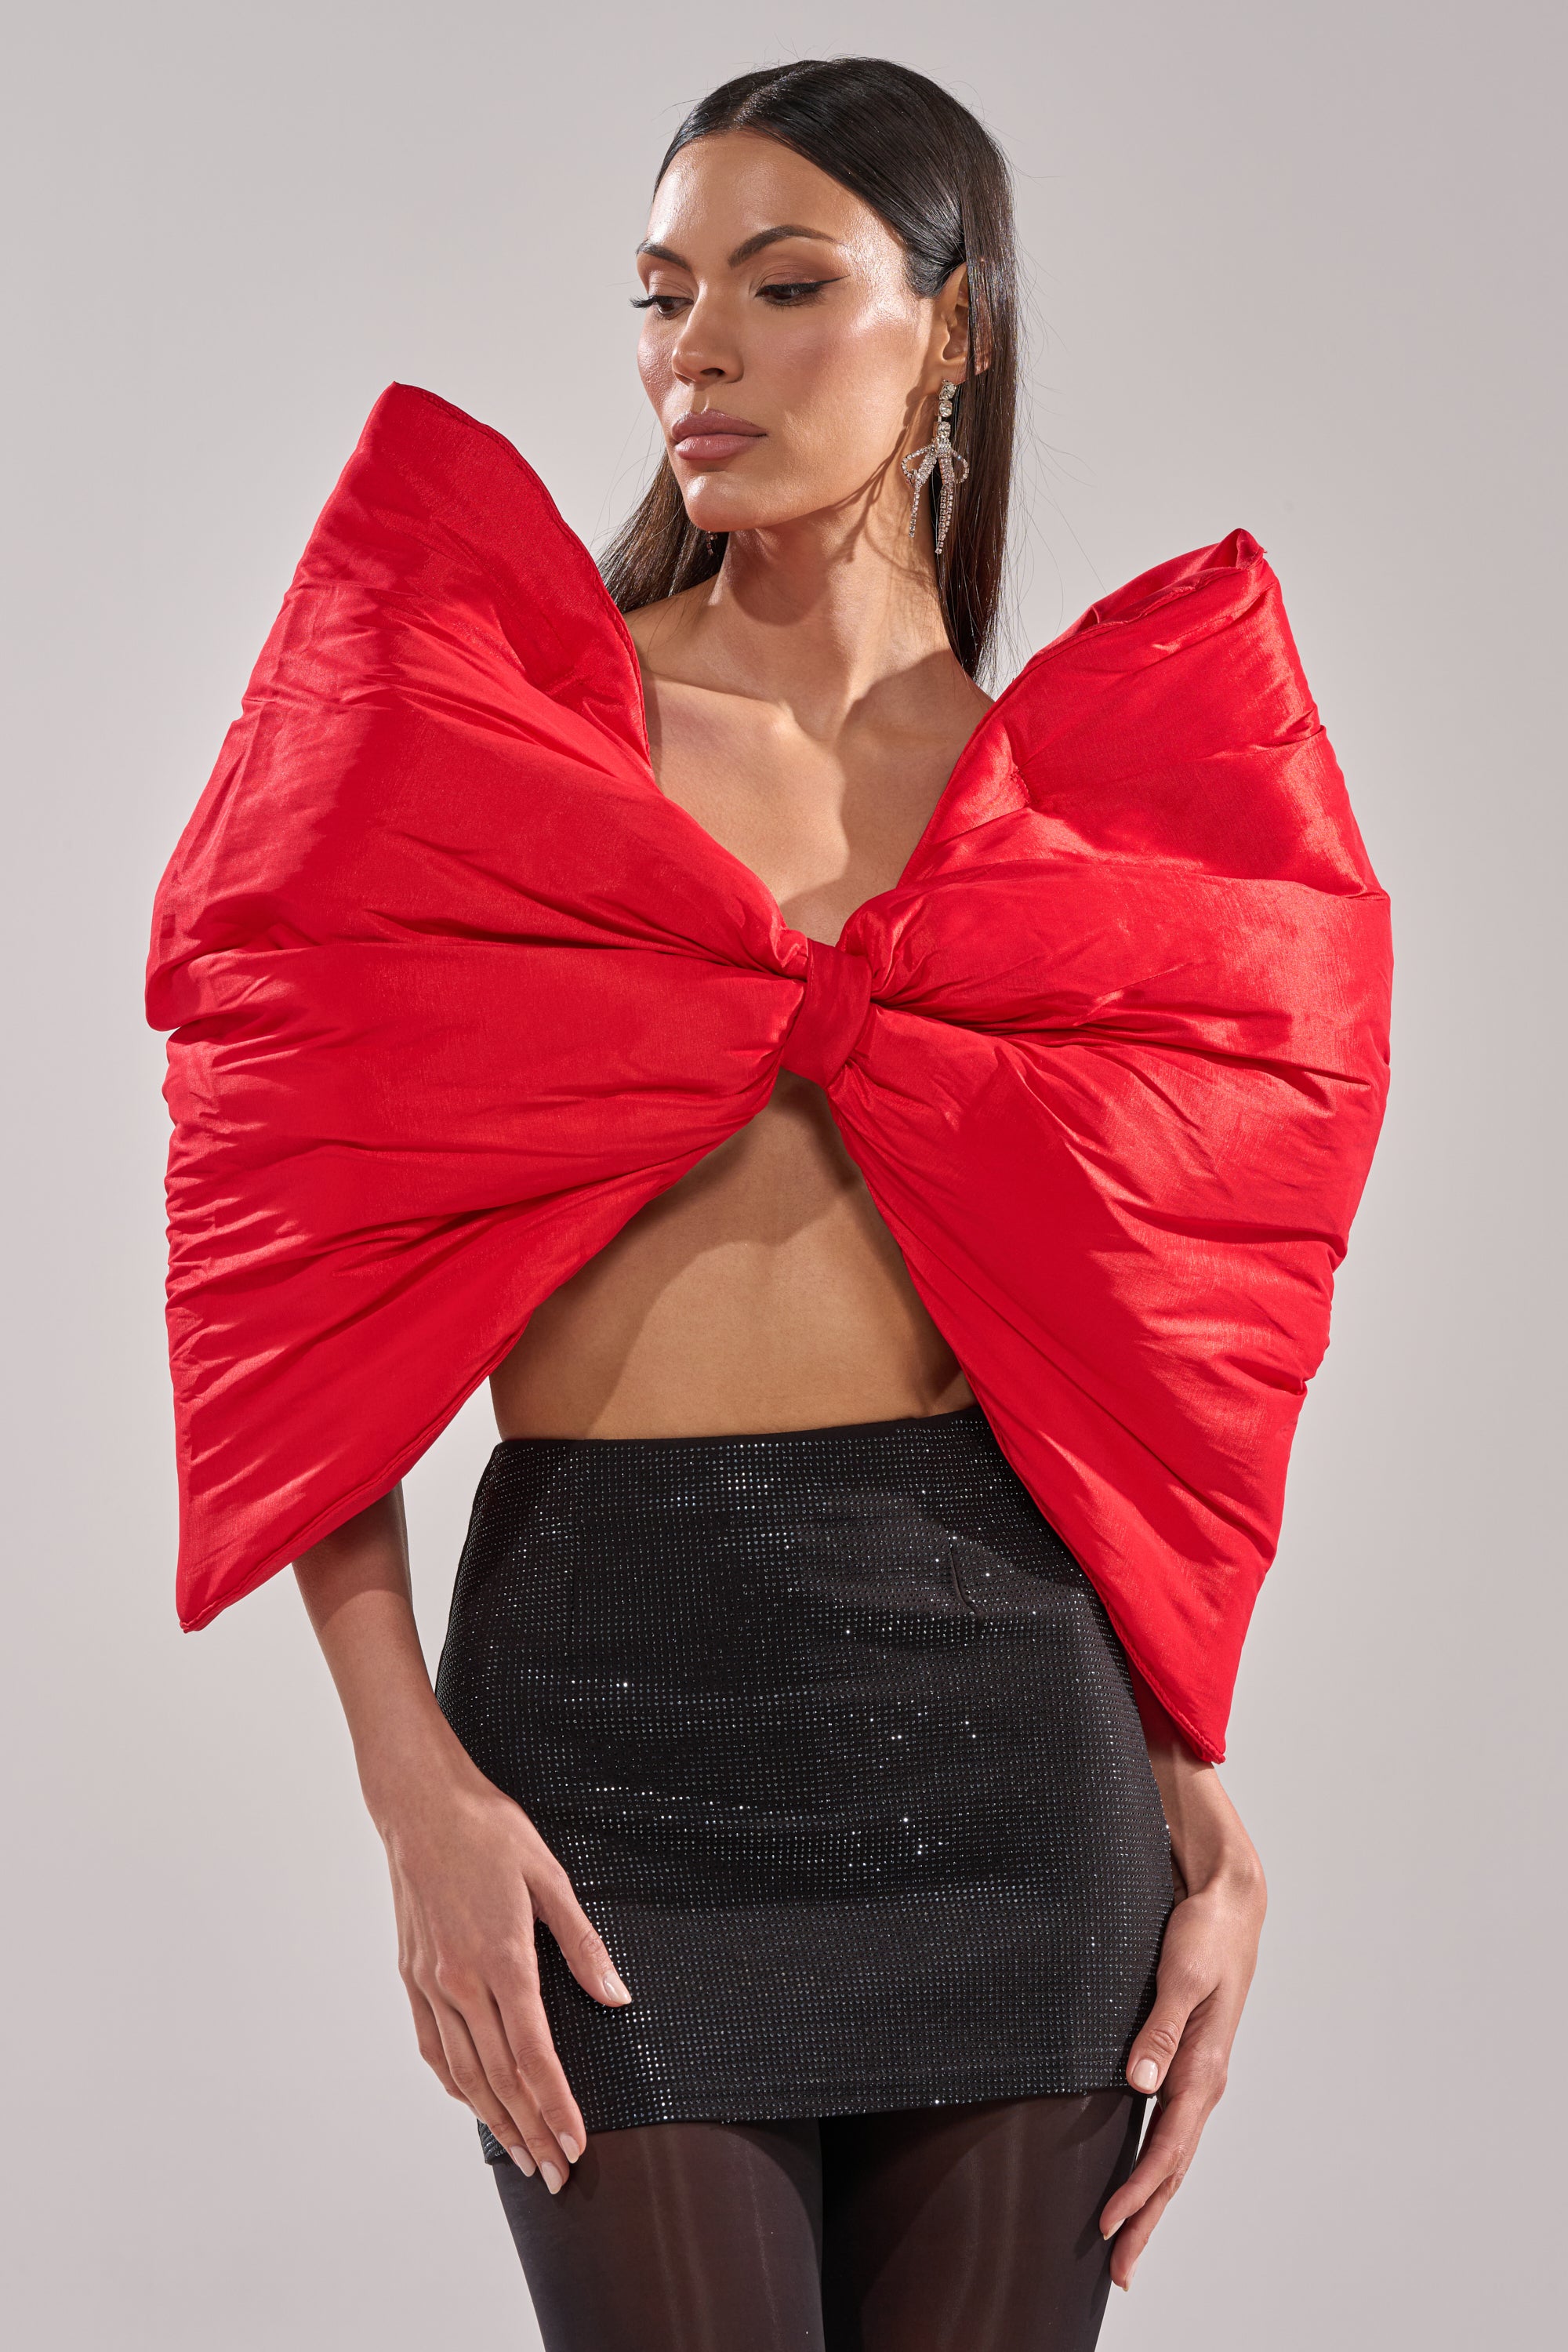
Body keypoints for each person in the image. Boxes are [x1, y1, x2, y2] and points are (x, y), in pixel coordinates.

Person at [147, 56, 1392, 2352]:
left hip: (1019, 1746)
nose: (690, 351)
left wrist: (1202, 1796)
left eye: (782, 282)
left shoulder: (1074, 808)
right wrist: (403, 1783)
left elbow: (1149, 1333)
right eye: (658, 294)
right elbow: (290, 1274)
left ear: (955, 330)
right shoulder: (507, 752)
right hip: (604, 1743)